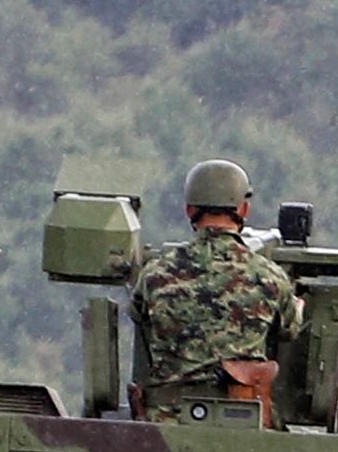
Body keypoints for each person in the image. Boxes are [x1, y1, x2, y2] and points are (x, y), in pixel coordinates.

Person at [130, 158, 304, 422]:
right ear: (244, 209)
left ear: (189, 210)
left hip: (167, 423)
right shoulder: (269, 276)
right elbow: (289, 329)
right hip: (242, 422)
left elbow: (138, 314)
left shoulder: (155, 274)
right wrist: (297, 305)